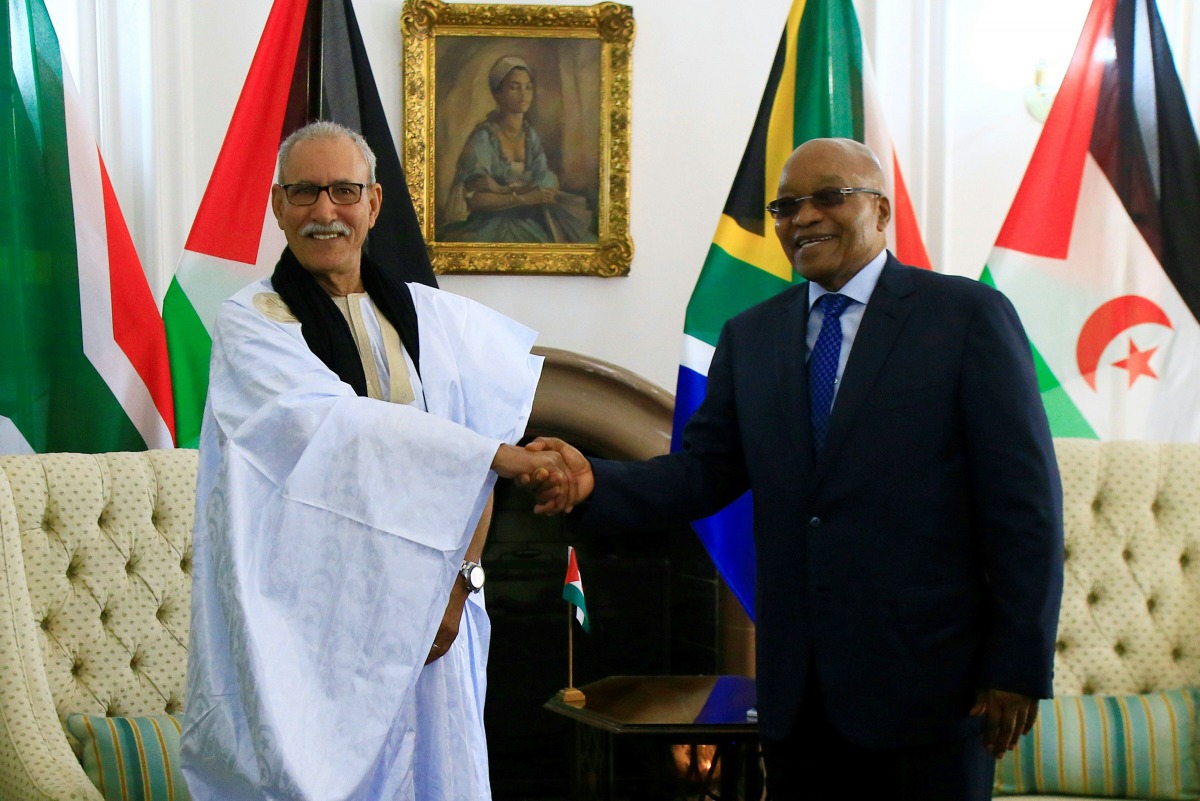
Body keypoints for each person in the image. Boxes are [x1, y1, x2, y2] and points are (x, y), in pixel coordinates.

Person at [526, 138, 1064, 800]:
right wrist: (594, 480)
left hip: (931, 691)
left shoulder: (966, 318)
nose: (802, 217)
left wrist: (1018, 662)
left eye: (829, 197)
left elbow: (1026, 506)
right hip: (798, 700)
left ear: (882, 211)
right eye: (785, 206)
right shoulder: (750, 336)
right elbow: (702, 473)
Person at [180, 120, 570, 801]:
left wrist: (458, 586)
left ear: (374, 203)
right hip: (310, 624)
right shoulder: (253, 322)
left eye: (342, 191)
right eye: (303, 192)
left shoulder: (433, 320)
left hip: (432, 622)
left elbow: (472, 469)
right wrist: (499, 454)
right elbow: (330, 426)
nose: (324, 211)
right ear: (277, 206)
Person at [438, 55, 595, 244]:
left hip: (532, 217)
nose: (524, 94)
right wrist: (524, 198)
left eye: (528, 87)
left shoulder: (530, 135)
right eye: (514, 87)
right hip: (491, 224)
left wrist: (502, 189)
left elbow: (547, 183)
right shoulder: (484, 138)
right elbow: (476, 199)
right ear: (498, 94)